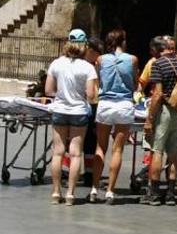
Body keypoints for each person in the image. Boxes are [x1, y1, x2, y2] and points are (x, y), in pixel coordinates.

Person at [45, 28, 98, 206]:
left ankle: (55, 192)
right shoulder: (88, 67)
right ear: (84, 45)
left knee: (58, 152)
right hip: (79, 112)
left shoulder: (56, 64)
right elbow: (91, 96)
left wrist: (61, 94)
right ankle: (70, 194)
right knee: (76, 154)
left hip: (60, 110)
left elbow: (48, 90)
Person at [143, 37, 177, 206]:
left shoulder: (158, 64)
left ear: (160, 49)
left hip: (164, 111)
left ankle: (154, 193)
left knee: (157, 150)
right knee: (174, 154)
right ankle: (171, 194)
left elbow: (157, 94)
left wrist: (150, 119)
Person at [91, 29, 139, 205]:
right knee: (117, 149)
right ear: (123, 41)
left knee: (100, 147)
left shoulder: (101, 59)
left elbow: (98, 80)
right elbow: (135, 82)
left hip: (105, 103)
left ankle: (94, 187)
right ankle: (110, 190)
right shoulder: (132, 59)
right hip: (124, 104)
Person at [82, 36, 104, 199]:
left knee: (90, 141)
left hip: (93, 105)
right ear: (90, 51)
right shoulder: (86, 66)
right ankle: (66, 172)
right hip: (85, 105)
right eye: (98, 53)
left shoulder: (96, 65)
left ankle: (89, 174)